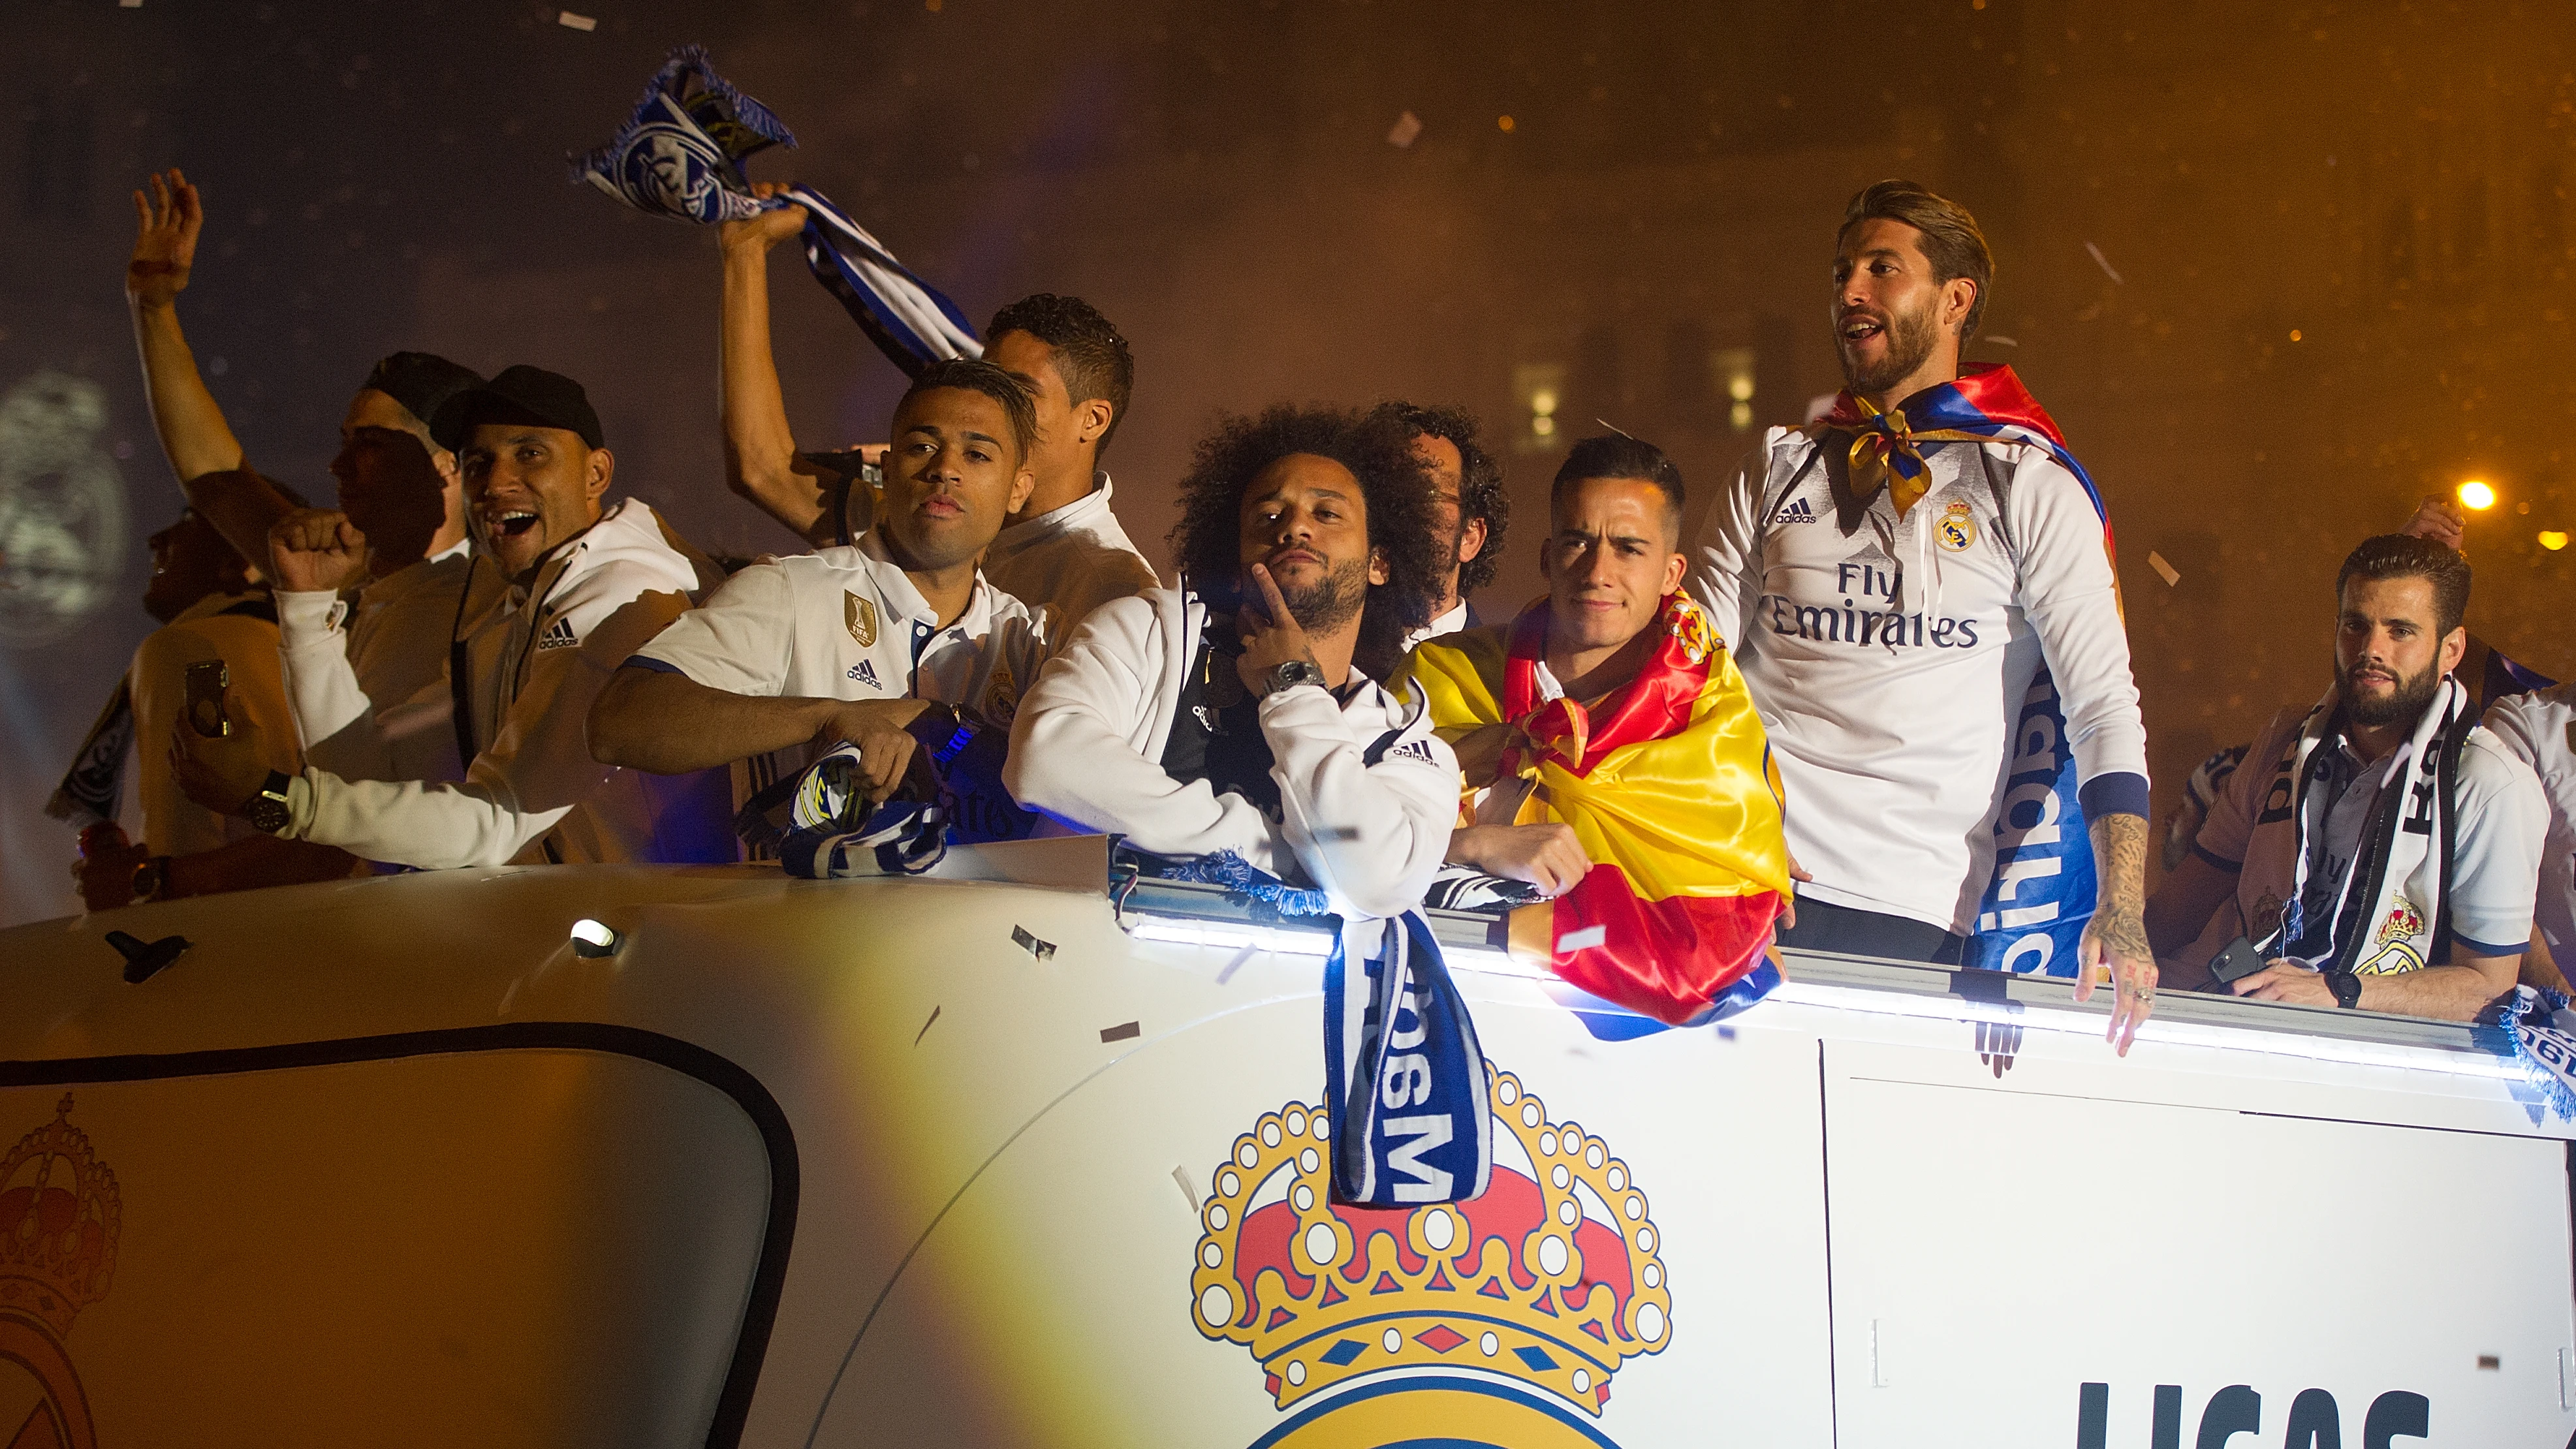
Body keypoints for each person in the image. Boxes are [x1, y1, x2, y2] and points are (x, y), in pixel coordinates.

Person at [1689, 178, 2156, 1050]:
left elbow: (2102, 710)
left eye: (1879, 269)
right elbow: (1688, 671)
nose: (1848, 292)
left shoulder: (2028, 482)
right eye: (1840, 273)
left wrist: (2120, 910)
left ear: (1954, 300)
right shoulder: (1778, 464)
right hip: (1736, 885)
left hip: (1908, 909)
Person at [170, 366, 732, 868]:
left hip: (669, 945)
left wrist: (268, 798)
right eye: (479, 462)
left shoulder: (621, 596)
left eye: (530, 453)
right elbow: (367, 781)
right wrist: (307, 608)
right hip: (600, 944)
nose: (495, 483)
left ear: (596, 474)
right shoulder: (507, 609)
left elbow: (498, 820)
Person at [1396, 435, 1793, 1024]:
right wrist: (1467, 845)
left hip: (1638, 1061)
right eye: (1578, 542)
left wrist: (1548, 929)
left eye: (1629, 548)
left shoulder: (1711, 720)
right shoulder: (1439, 678)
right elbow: (1346, 850)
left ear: (1671, 572)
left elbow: (1718, 941)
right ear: (1547, 555)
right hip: (1446, 1011)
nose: (1598, 571)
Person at [1004, 405, 1456, 917]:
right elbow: (1045, 761)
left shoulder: (1408, 747)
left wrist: (1294, 688)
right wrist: (1272, 850)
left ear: (1379, 563)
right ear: (1237, 562)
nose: (1293, 529)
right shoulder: (1148, 635)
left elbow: (1374, 880)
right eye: (1268, 516)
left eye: (1326, 513)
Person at [127, 168, 484, 787]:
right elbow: (216, 483)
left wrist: (246, 807)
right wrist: (153, 308)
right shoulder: (347, 582)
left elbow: (372, 817)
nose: (337, 466)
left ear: (448, 465)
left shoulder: (486, 613)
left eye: (370, 446)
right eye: (344, 442)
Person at [589, 358, 1049, 830]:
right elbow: (619, 723)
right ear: (886, 472)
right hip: (800, 906)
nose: (944, 468)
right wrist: (830, 717)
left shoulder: (1028, 641)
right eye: (922, 446)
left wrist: (948, 728)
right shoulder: (792, 592)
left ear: (1018, 489)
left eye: (977, 455)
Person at [715, 183, 1157, 630]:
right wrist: (745, 254)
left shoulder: (1112, 591)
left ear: (1093, 419)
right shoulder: (934, 508)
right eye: (989, 382)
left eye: (1018, 391)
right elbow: (764, 469)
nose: (991, 406)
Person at [2144, 537, 2545, 1021]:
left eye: (2401, 632)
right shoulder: (2283, 738)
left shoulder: (2492, 783)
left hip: (2360, 1052)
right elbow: (2183, 902)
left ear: (2451, 650)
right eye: (2357, 626)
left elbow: (2489, 988)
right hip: (2212, 1011)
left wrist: (2337, 992)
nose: (2372, 650)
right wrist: (2105, 955)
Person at [63, 506, 360, 909]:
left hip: (232, 944)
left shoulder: (182, 646)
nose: (156, 539)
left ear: (238, 563)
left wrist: (139, 884)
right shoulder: (316, 650)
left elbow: (182, 849)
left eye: (188, 520)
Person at [1372, 401, 1507, 644]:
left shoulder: (1499, 674)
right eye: (1384, 491)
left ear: (1469, 537)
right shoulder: (1331, 661)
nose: (1397, 508)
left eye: (1423, 494)